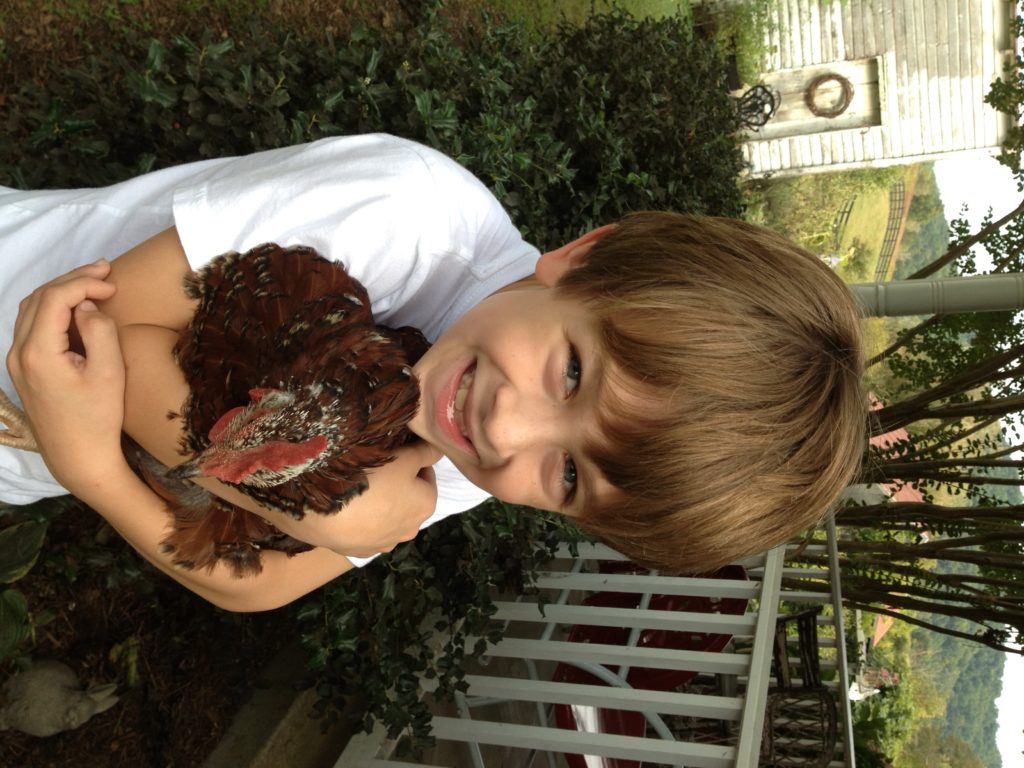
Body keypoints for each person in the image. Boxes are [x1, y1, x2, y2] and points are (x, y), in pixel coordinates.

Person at [3, 134, 866, 611]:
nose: (506, 430)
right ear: (581, 259)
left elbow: (261, 586)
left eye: (569, 475)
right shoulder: (406, 217)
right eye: (573, 372)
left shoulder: (459, 469)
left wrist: (91, 471)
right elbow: (93, 328)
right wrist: (336, 508)